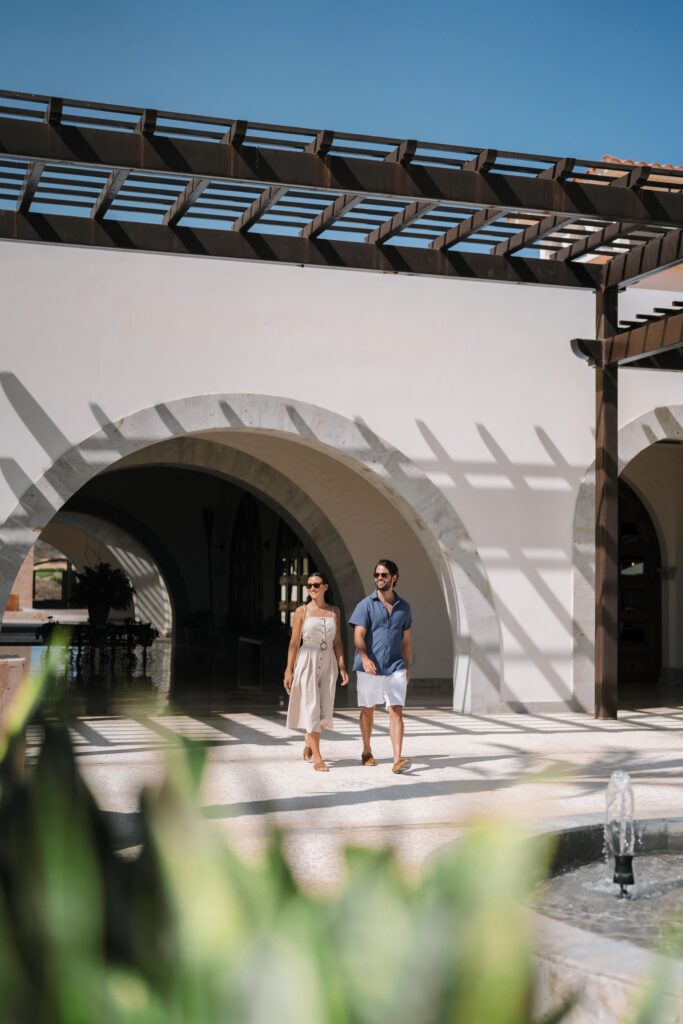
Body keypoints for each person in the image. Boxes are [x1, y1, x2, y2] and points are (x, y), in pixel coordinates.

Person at [349, 559, 412, 774]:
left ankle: (397, 759)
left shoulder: (404, 607)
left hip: (396, 666)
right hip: (370, 667)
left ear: (394, 578)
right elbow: (358, 635)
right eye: (376, 575)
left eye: (384, 575)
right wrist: (365, 658)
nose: (379, 578)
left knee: (396, 710)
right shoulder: (365, 605)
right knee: (367, 710)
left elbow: (406, 641)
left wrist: (407, 667)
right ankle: (367, 750)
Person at [283, 571, 348, 771]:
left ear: (325, 587)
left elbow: (337, 642)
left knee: (325, 710)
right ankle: (318, 757)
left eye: (316, 585)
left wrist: (342, 667)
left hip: (328, 661)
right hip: (307, 661)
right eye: (309, 585)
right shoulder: (302, 611)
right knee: (310, 707)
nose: (312, 588)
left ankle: (308, 740)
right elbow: (294, 642)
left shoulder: (334, 611)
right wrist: (288, 670)